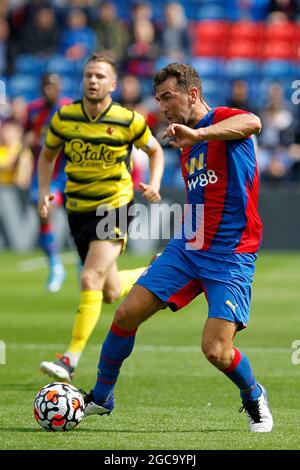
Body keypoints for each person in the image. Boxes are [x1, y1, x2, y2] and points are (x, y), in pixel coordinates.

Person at [81, 63, 274, 433]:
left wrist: (200, 134)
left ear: (193, 94)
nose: (163, 106)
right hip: (189, 248)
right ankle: (102, 397)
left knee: (216, 350)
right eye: (158, 99)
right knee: (126, 315)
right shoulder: (187, 146)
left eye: (167, 97)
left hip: (231, 255)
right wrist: (173, 251)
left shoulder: (222, 122)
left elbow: (254, 123)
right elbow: (199, 202)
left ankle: (253, 394)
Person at [38, 53, 164, 382]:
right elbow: (47, 154)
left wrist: (155, 182)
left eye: (99, 76)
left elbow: (155, 149)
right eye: (88, 75)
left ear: (113, 84)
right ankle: (152, 270)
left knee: (89, 278)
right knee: (108, 291)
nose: (93, 81)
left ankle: (69, 358)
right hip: (78, 209)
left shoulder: (128, 119)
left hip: (115, 206)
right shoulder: (64, 118)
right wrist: (42, 190)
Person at [26, 74, 71, 293]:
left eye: (53, 86)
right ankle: (55, 264)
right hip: (44, 174)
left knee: (75, 217)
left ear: (59, 87)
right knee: (44, 211)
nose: (49, 90)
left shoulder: (68, 109)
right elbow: (28, 136)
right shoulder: (33, 109)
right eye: (45, 86)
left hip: (67, 173)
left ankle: (83, 261)